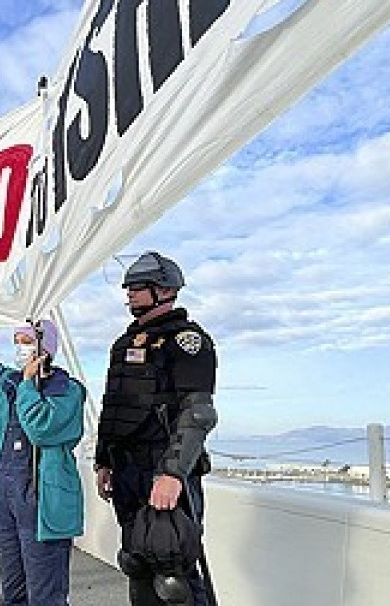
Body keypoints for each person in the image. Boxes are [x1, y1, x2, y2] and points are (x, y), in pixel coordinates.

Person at [94, 252, 218, 606]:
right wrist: (104, 460)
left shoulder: (187, 340)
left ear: (164, 290)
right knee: (137, 561)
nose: (128, 293)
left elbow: (197, 414)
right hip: (127, 471)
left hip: (162, 470)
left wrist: (173, 473)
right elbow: (114, 406)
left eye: (136, 287)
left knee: (173, 570)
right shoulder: (125, 343)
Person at [0, 289, 86, 606]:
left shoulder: (67, 391)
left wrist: (29, 386)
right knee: (12, 588)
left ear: (45, 349)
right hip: (4, 496)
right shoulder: (6, 383)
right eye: (17, 340)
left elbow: (41, 428)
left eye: (27, 341)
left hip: (41, 498)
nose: (20, 347)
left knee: (45, 592)